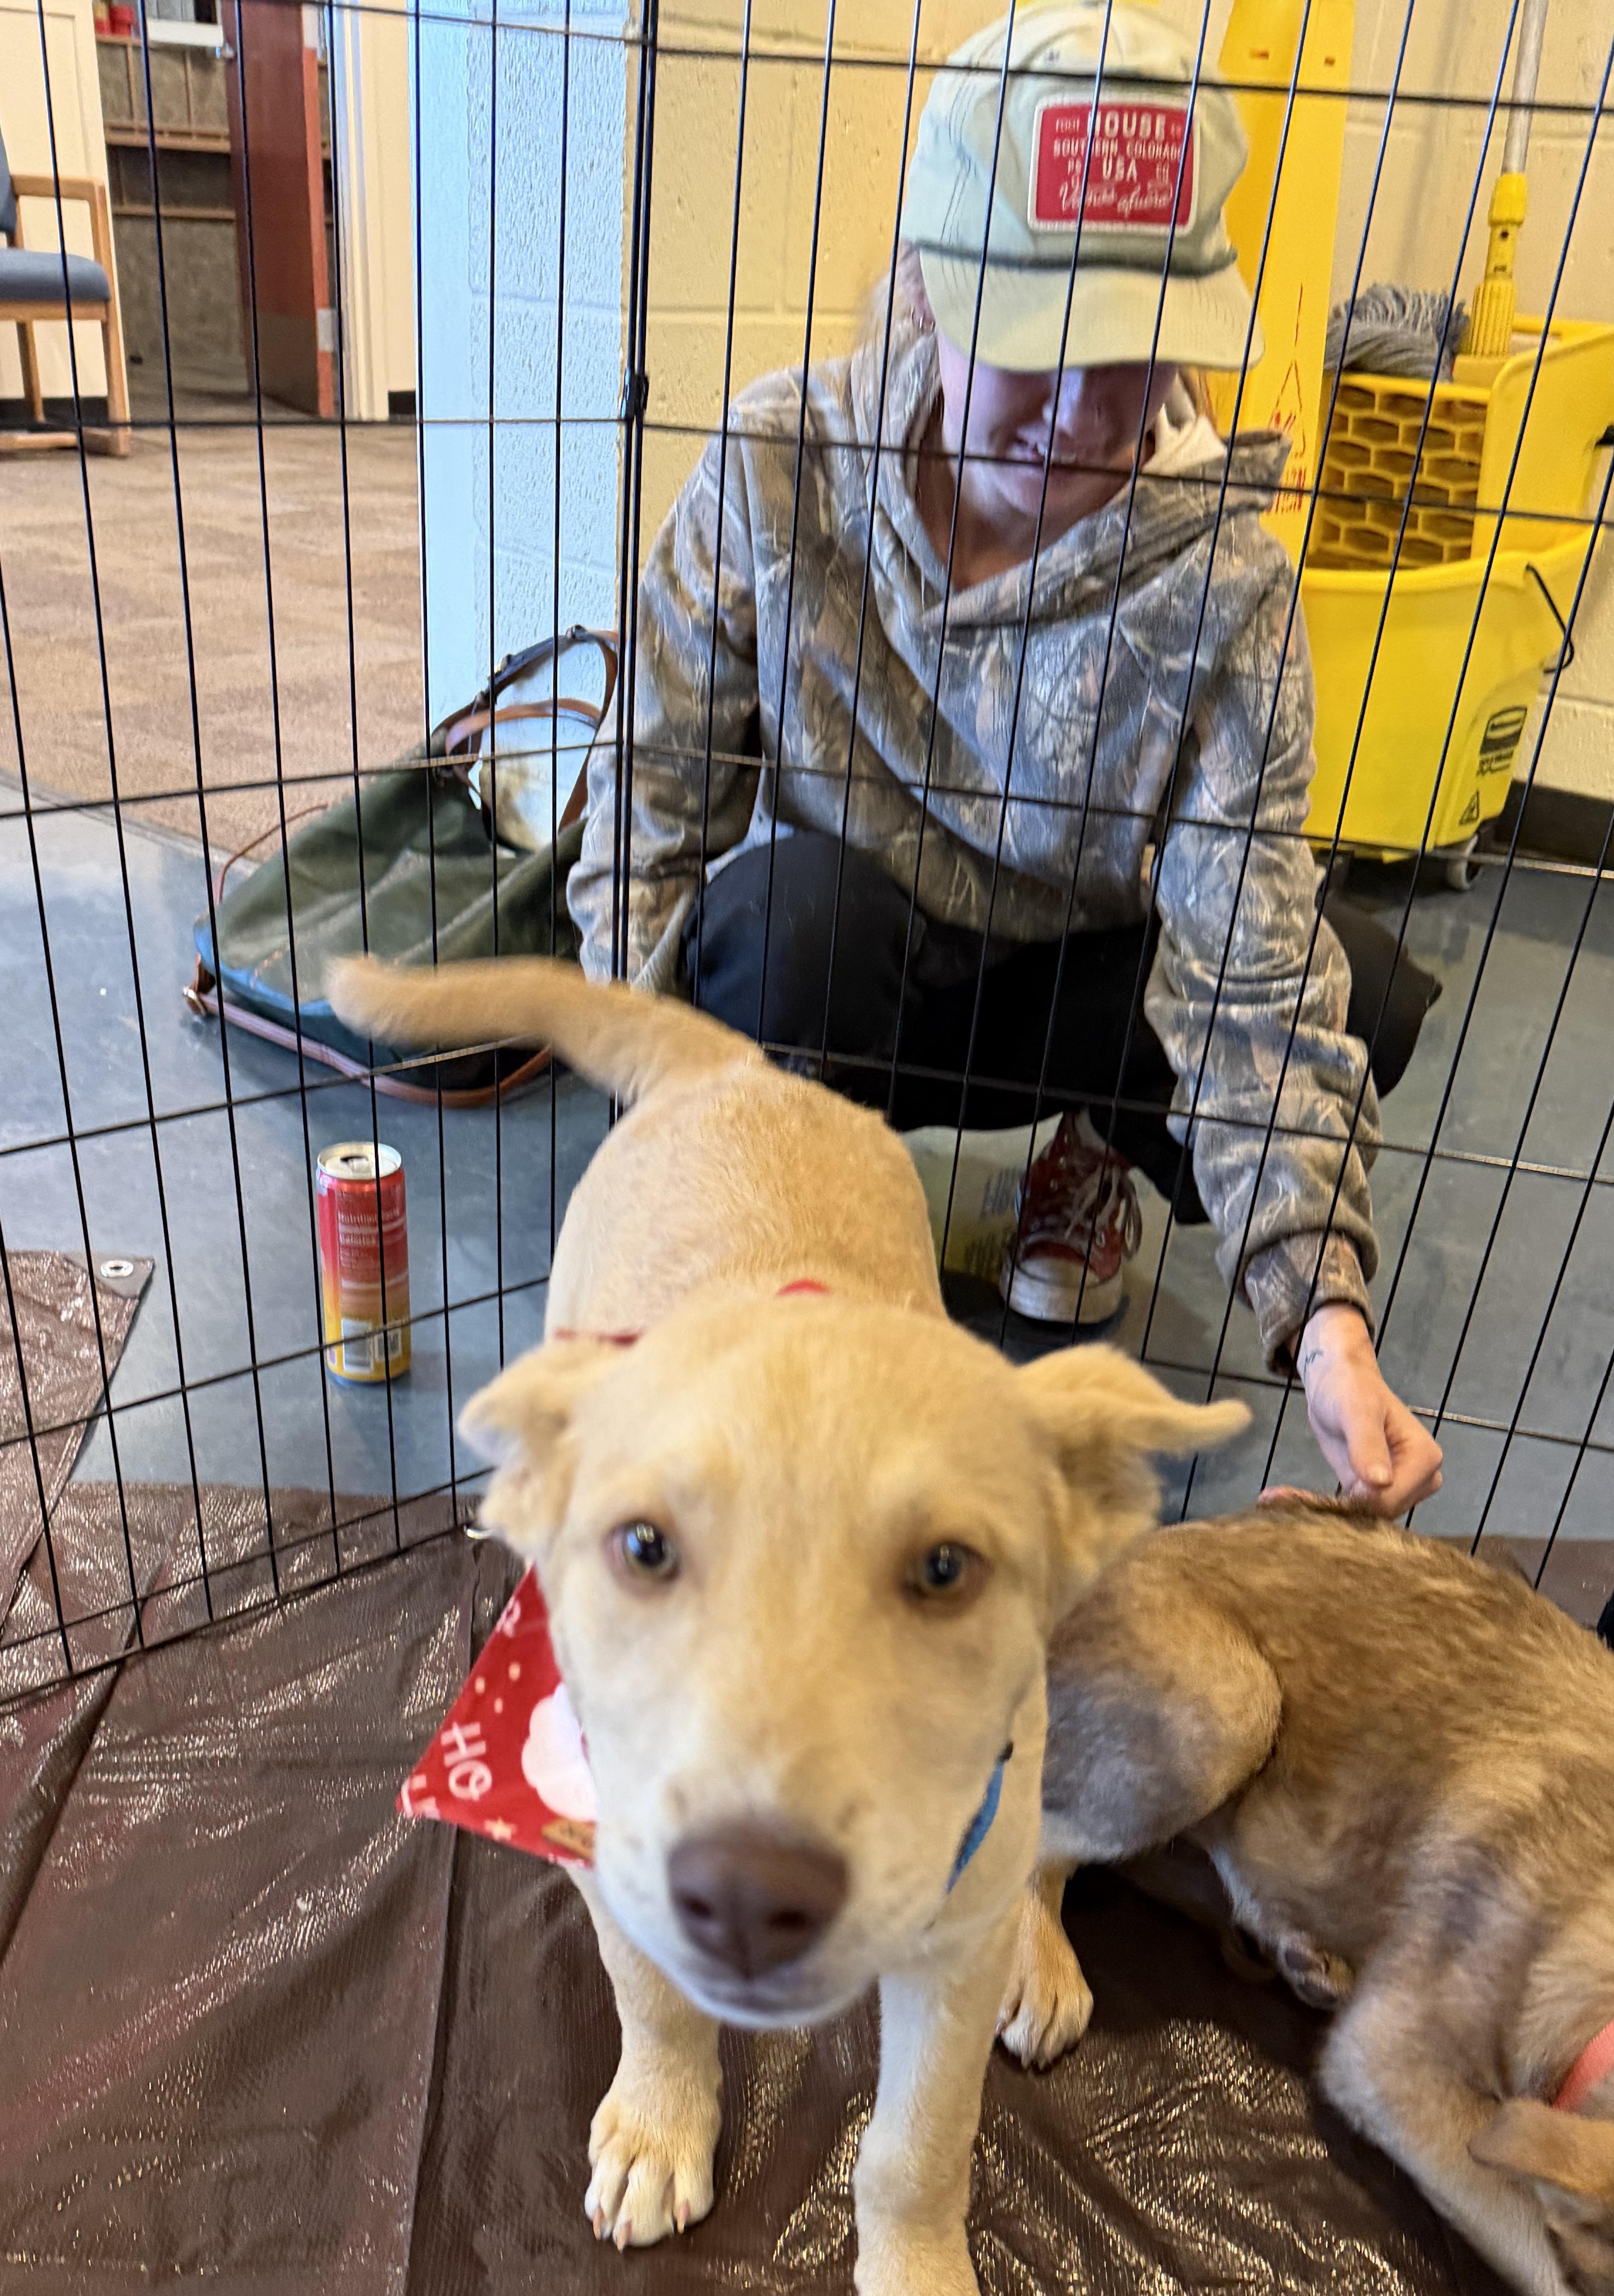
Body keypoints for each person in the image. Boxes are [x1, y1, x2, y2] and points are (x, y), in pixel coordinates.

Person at [567, 0, 1444, 1515]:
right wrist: (655, 1196)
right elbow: (648, 815)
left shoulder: (1224, 588)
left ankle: (1088, 1164)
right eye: (1033, 342)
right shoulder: (783, 465)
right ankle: (804, 1243)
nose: (1075, 409)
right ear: (925, 288)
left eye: (1126, 354)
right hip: (861, 965)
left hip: (1076, 986)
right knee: (778, 929)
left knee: (1350, 977)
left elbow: (1250, 973)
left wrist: (1327, 1329)